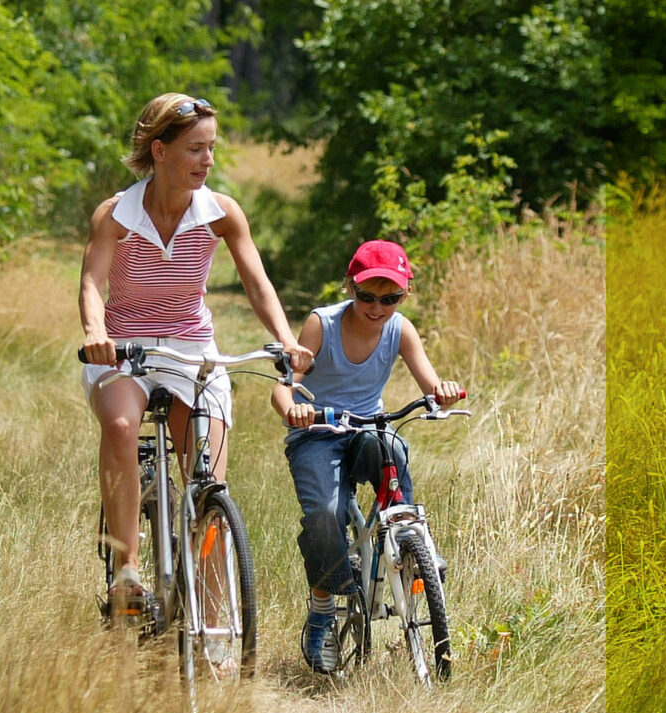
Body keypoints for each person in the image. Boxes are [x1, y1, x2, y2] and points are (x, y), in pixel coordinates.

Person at [77, 93, 310, 617]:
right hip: (125, 345)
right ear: (159, 151)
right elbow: (92, 283)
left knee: (209, 489)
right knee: (118, 425)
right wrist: (95, 331)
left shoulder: (220, 213)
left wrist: (286, 337)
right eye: (195, 150)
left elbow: (256, 281)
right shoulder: (116, 215)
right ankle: (128, 571)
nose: (208, 161)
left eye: (211, 149)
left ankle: (214, 621)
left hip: (191, 349)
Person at [272, 240, 466, 674]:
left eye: (390, 299)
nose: (377, 308)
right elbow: (283, 386)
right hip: (318, 434)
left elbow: (430, 384)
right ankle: (324, 604)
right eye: (367, 297)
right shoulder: (321, 324)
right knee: (325, 513)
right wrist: (293, 409)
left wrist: (443, 393)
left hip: (366, 430)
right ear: (350, 287)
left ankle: (408, 538)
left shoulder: (401, 330)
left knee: (392, 445)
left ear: (404, 295)